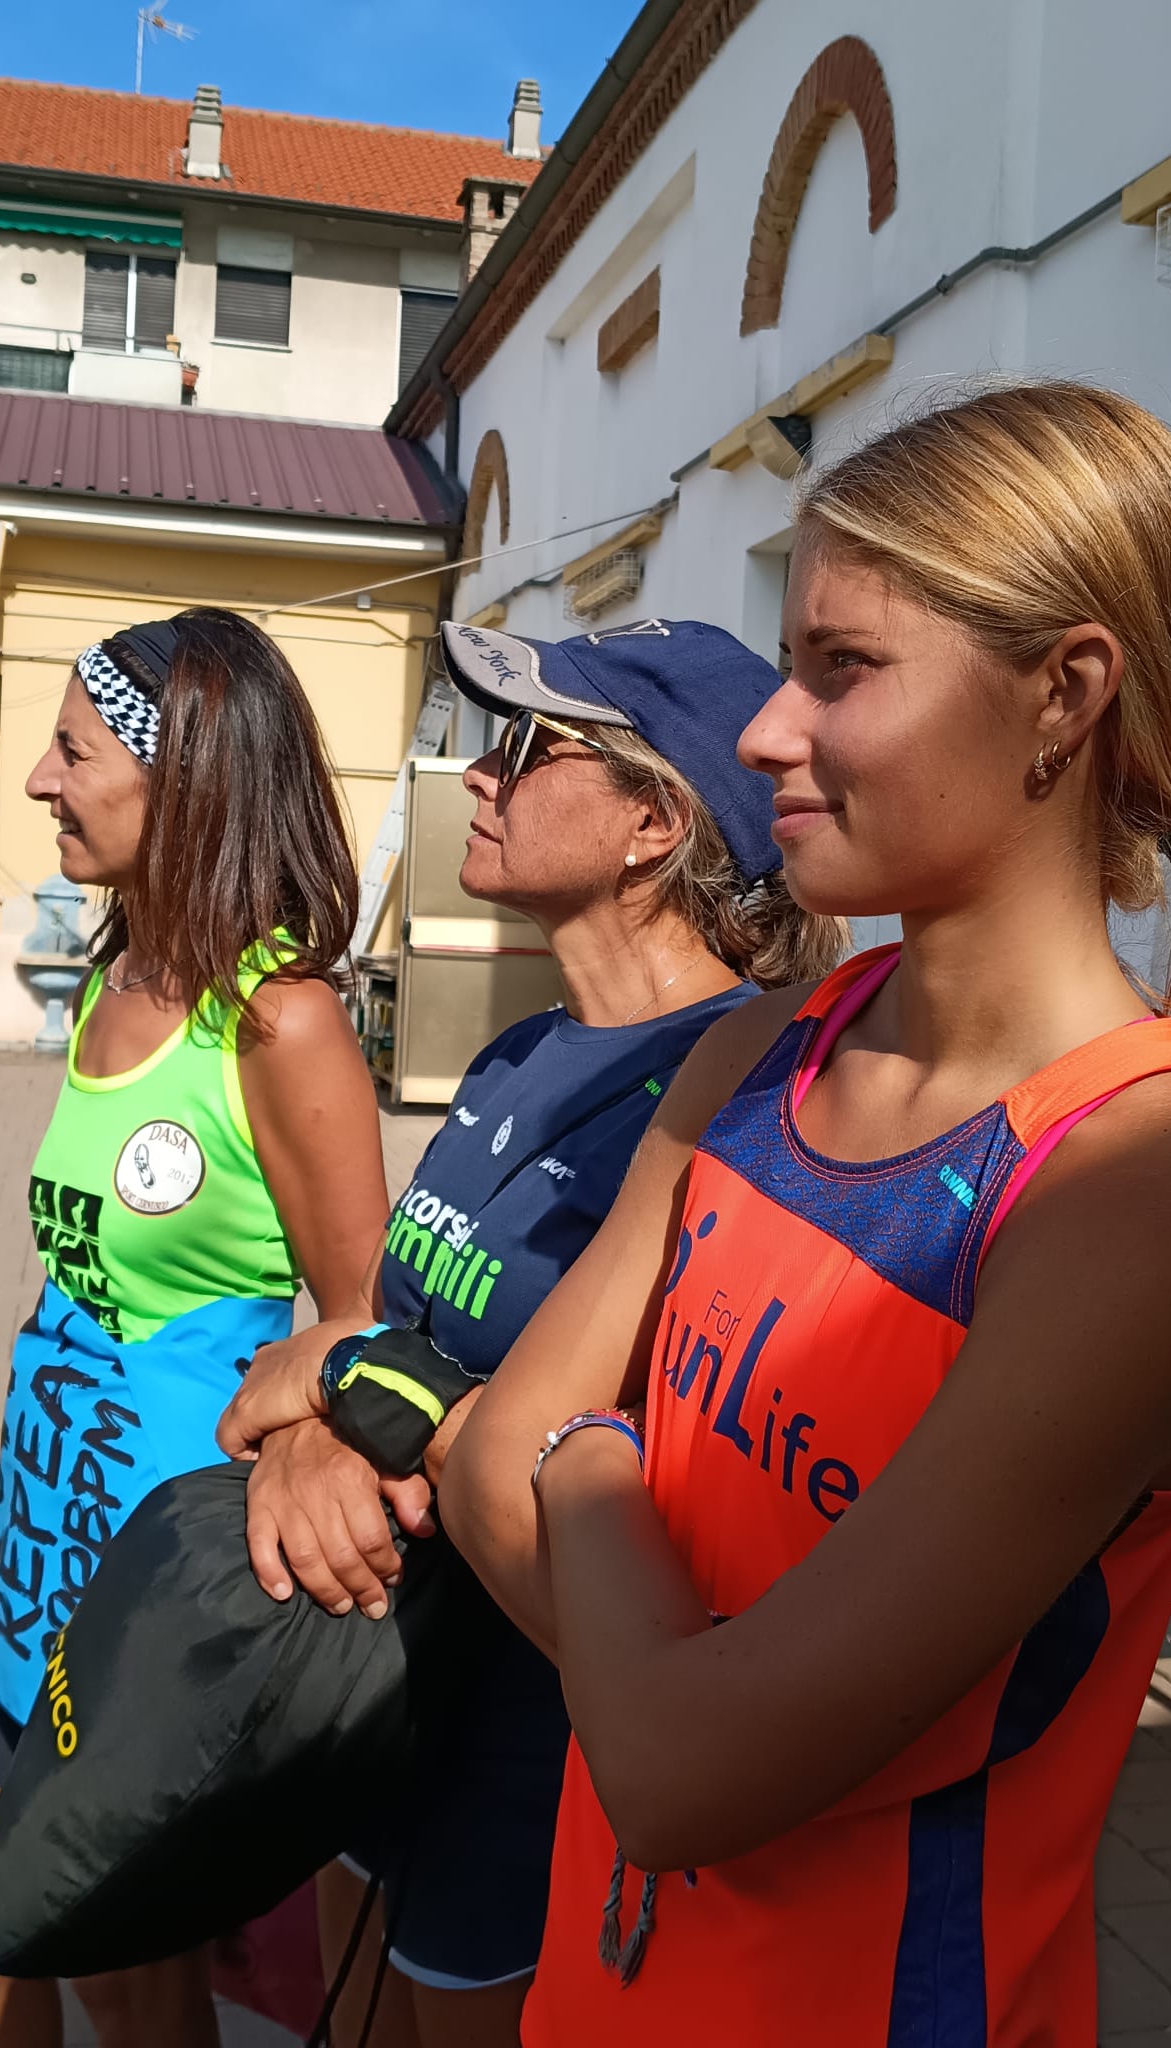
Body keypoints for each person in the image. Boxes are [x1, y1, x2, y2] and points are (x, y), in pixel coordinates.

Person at [442, 383, 1171, 2047]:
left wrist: (583, 1459)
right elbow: (476, 1478)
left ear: (1064, 694)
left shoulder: (1134, 1192)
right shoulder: (762, 1045)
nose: (765, 734)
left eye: (841, 667)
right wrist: (664, 1663)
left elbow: (676, 1772)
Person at [216, 616, 845, 2046]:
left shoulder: (741, 1107)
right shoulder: (515, 1052)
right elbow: (385, 1333)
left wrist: (345, 1381)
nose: (478, 775)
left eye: (527, 744)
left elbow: (599, 1453)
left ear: (653, 824)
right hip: (383, 1685)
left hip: (537, 1744)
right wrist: (320, 1431)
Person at [0, 608, 392, 2048]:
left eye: (72, 751)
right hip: (38, 1543)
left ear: (181, 783)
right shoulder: (117, 979)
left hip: (156, 1591)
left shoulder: (279, 1022)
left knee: (125, 1976)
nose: (40, 781)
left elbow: (361, 1320)